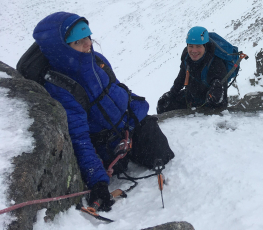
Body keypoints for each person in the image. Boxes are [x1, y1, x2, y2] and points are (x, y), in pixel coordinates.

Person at [32, 12, 174, 211]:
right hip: (107, 145)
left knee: (163, 154)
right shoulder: (61, 87)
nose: (88, 44)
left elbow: (115, 91)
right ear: (61, 49)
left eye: (88, 37)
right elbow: (79, 137)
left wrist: (139, 112)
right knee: (126, 165)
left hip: (127, 127)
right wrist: (97, 180)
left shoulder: (97, 60)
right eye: (78, 42)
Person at [157, 26, 228, 113]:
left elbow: (220, 94)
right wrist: (171, 94)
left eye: (198, 46)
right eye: (191, 46)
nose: (194, 51)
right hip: (192, 98)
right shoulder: (187, 58)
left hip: (210, 105)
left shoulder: (216, 63)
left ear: (205, 46)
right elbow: (181, 78)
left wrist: (215, 95)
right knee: (163, 105)